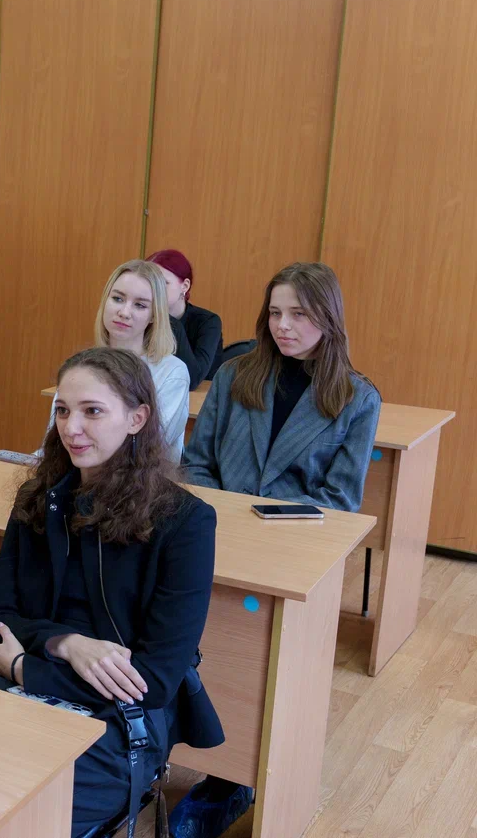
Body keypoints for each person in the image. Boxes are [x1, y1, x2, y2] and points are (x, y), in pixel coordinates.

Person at [0, 346, 222, 838]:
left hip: (123, 722)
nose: (71, 428)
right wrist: (68, 644)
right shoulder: (39, 499)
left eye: (92, 411)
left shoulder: (185, 522)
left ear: (137, 418)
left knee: (10, 805)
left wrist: (26, 666)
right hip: (26, 692)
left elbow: (152, 681)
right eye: (63, 410)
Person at [173, 261, 381, 837]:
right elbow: (198, 464)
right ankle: (197, 757)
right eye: (275, 312)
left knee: (258, 668)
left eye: (299, 314)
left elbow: (339, 499)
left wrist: (264, 521)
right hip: (217, 536)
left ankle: (235, 776)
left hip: (293, 554)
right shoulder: (236, 376)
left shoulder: (356, 397)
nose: (283, 325)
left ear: (328, 318)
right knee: (203, 650)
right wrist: (226, 517)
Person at [42, 260, 190, 463]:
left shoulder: (172, 372)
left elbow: (149, 449)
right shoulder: (81, 366)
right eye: (118, 299)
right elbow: (55, 442)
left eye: (140, 305)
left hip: (139, 478)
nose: (124, 312)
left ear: (154, 315)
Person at [148, 249, 222, 387]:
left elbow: (192, 379)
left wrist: (166, 319)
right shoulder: (143, 316)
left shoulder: (208, 322)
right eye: (149, 283)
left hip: (197, 397)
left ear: (185, 286)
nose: (153, 290)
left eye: (162, 283)